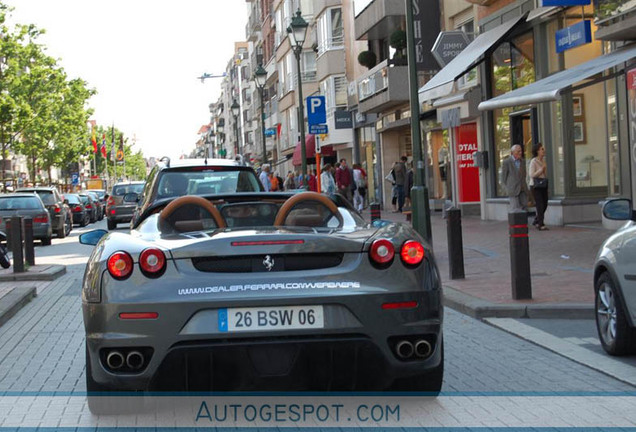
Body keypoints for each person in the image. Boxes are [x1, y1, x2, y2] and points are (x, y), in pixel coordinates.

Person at [501, 144, 529, 212]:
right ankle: (517, 222)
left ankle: (524, 222)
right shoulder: (507, 162)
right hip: (513, 190)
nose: (520, 153)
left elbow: (524, 174)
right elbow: (503, 177)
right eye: (518, 151)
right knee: (516, 210)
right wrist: (507, 189)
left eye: (521, 151)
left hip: (522, 189)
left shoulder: (522, 161)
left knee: (524, 207)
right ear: (513, 152)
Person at [529, 142, 549, 230]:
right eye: (542, 149)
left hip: (543, 185)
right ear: (537, 151)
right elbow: (531, 174)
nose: (543, 151)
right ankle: (541, 224)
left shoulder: (543, 161)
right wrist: (541, 170)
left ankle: (537, 219)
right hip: (535, 186)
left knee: (545, 203)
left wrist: (544, 172)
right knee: (540, 204)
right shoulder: (533, 161)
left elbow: (545, 174)